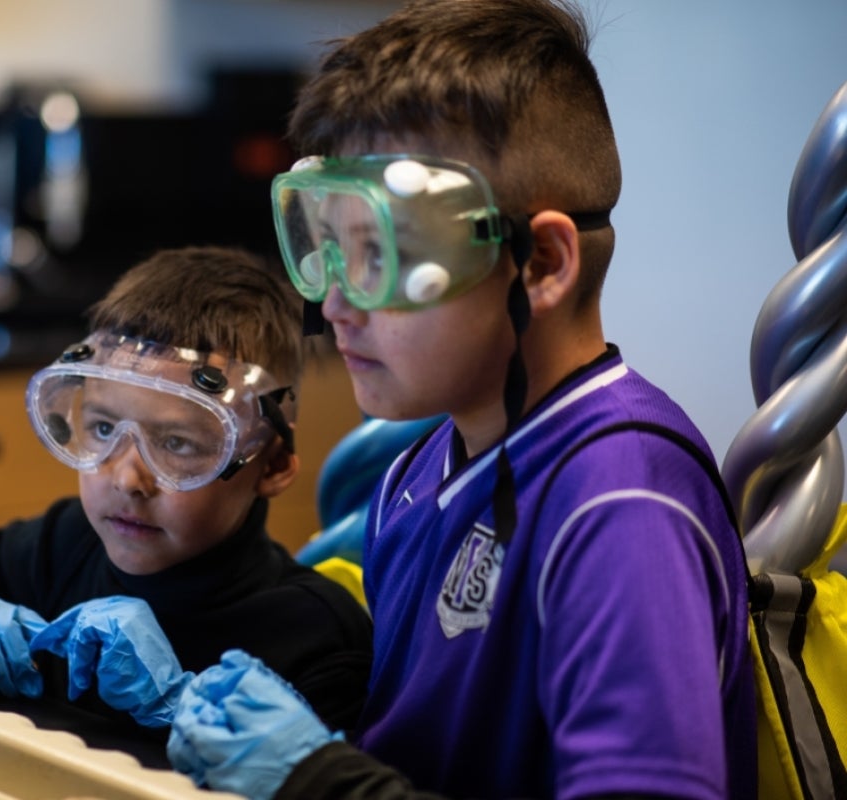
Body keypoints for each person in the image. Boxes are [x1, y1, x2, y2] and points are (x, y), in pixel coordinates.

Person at [162, 2, 757, 799]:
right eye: (330, 249)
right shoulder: (423, 465)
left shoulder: (620, 504)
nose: (336, 303)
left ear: (542, 263)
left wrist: (323, 781)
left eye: (384, 255)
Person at [0, 245, 373, 742]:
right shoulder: (66, 543)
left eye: (176, 443)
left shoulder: (317, 638)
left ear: (273, 466)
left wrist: (183, 705)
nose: (127, 478)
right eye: (104, 429)